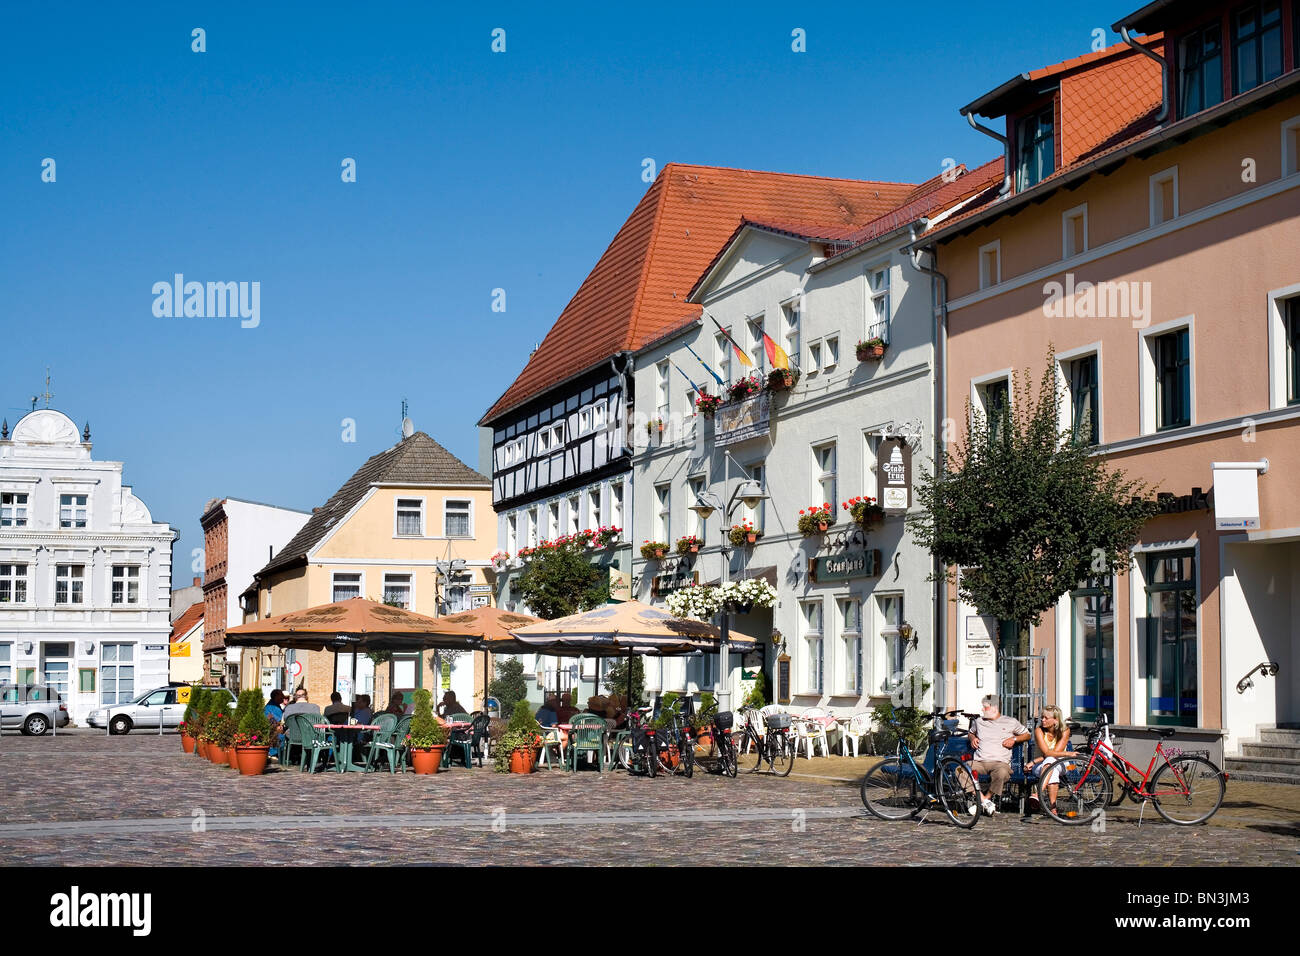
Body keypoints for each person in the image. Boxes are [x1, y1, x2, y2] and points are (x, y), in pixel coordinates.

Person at [966, 695, 1030, 816]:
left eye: (985, 707)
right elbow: (970, 732)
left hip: (1000, 763)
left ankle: (985, 799)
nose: (982, 710)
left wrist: (1014, 738)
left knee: (1001, 773)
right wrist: (972, 738)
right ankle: (984, 801)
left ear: (994, 708)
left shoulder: (1010, 722)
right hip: (979, 762)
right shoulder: (979, 722)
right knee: (960, 769)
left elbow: (1027, 735)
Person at [1027, 704, 1073, 814]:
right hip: (1041, 766)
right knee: (1052, 769)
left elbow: (1056, 753)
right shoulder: (1039, 731)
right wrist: (1068, 753)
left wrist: (1033, 761)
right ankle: (1053, 809)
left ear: (1056, 720)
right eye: (1042, 717)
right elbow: (1047, 753)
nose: (1042, 720)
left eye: (1046, 718)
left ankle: (1038, 794)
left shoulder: (1065, 731)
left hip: (1061, 764)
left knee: (1051, 761)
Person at [264, 689, 286, 759]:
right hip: (273, 728)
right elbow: (274, 720)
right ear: (276, 696)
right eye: (281, 695)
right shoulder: (272, 707)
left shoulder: (276, 705)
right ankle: (274, 753)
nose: (283, 697)